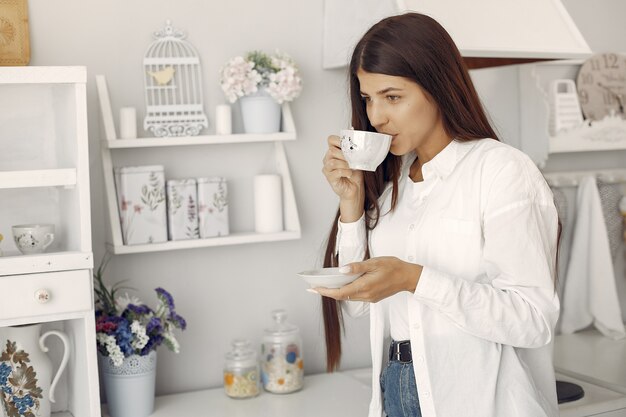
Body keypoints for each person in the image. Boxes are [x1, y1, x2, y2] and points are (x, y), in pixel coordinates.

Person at [315, 12, 561, 417]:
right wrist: (351, 205)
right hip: (396, 387)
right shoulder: (394, 185)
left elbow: (532, 320)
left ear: (438, 86)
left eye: (392, 97)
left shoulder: (500, 170)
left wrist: (416, 279)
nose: (376, 116)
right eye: (367, 98)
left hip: (478, 398)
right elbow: (356, 303)